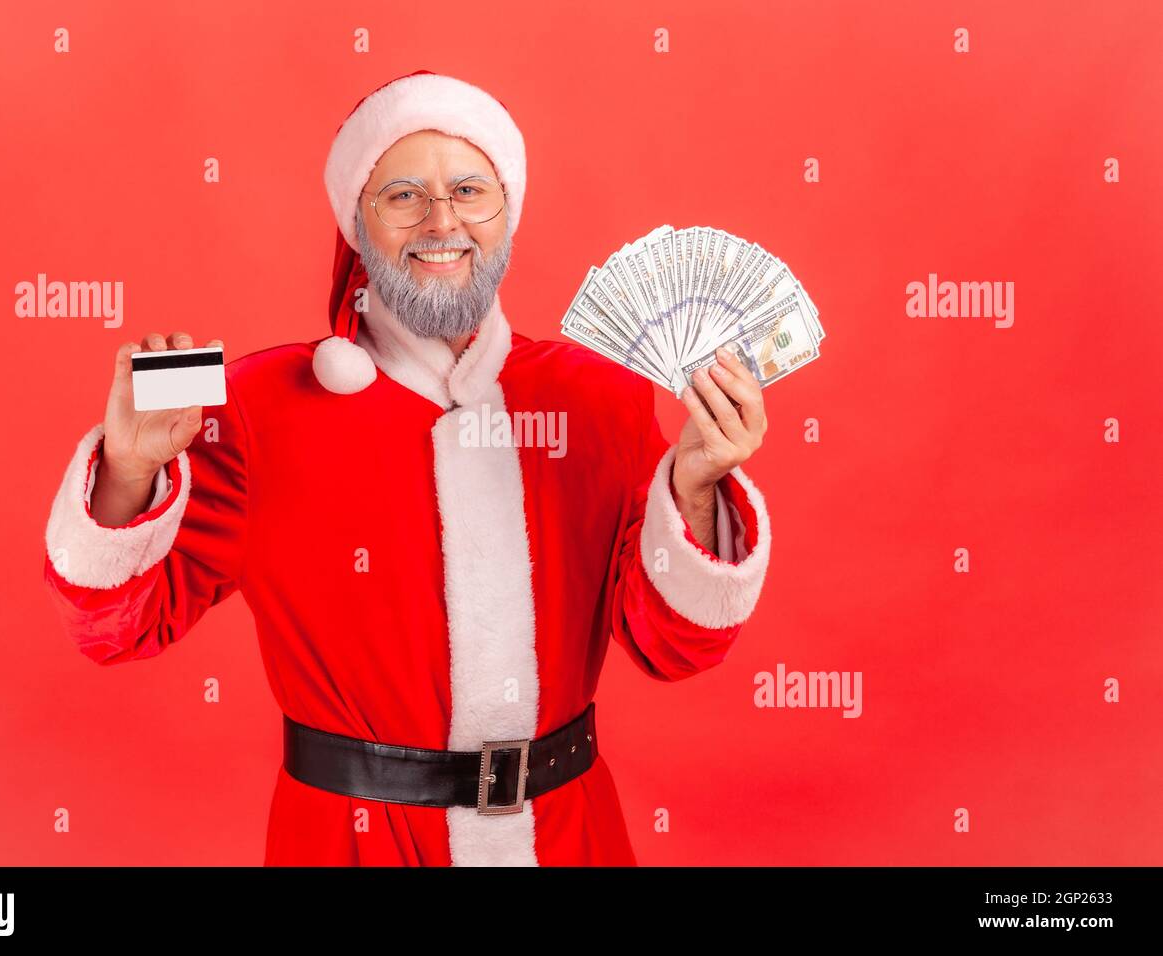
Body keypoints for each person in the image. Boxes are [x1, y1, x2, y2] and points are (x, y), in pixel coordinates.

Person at [42, 70, 772, 866]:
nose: (442, 221)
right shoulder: (255, 407)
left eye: (468, 189)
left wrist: (696, 488)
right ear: (357, 224)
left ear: (507, 213)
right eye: (403, 195)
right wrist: (126, 471)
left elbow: (674, 648)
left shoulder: (598, 398)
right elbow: (117, 629)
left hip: (570, 839)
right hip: (351, 845)